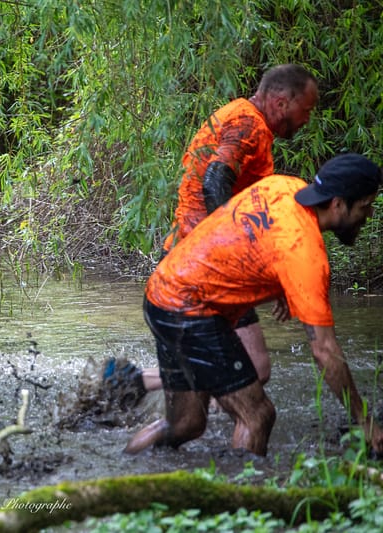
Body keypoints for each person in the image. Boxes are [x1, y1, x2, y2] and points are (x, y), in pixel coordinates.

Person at [124, 153, 383, 457]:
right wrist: (364, 420)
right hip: (189, 309)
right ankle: (243, 500)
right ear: (338, 203)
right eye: (365, 207)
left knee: (185, 424)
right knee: (257, 416)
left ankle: (119, 479)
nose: (368, 216)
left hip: (162, 291)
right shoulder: (305, 253)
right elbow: (324, 351)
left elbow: (248, 238)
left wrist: (286, 287)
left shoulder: (281, 187)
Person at [113, 64, 319, 396]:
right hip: (203, 264)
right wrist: (232, 249)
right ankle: (129, 382)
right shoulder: (248, 124)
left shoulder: (243, 117)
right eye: (305, 109)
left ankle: (129, 383)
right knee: (255, 366)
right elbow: (214, 181)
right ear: (282, 102)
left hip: (191, 255)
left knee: (233, 369)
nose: (307, 119)